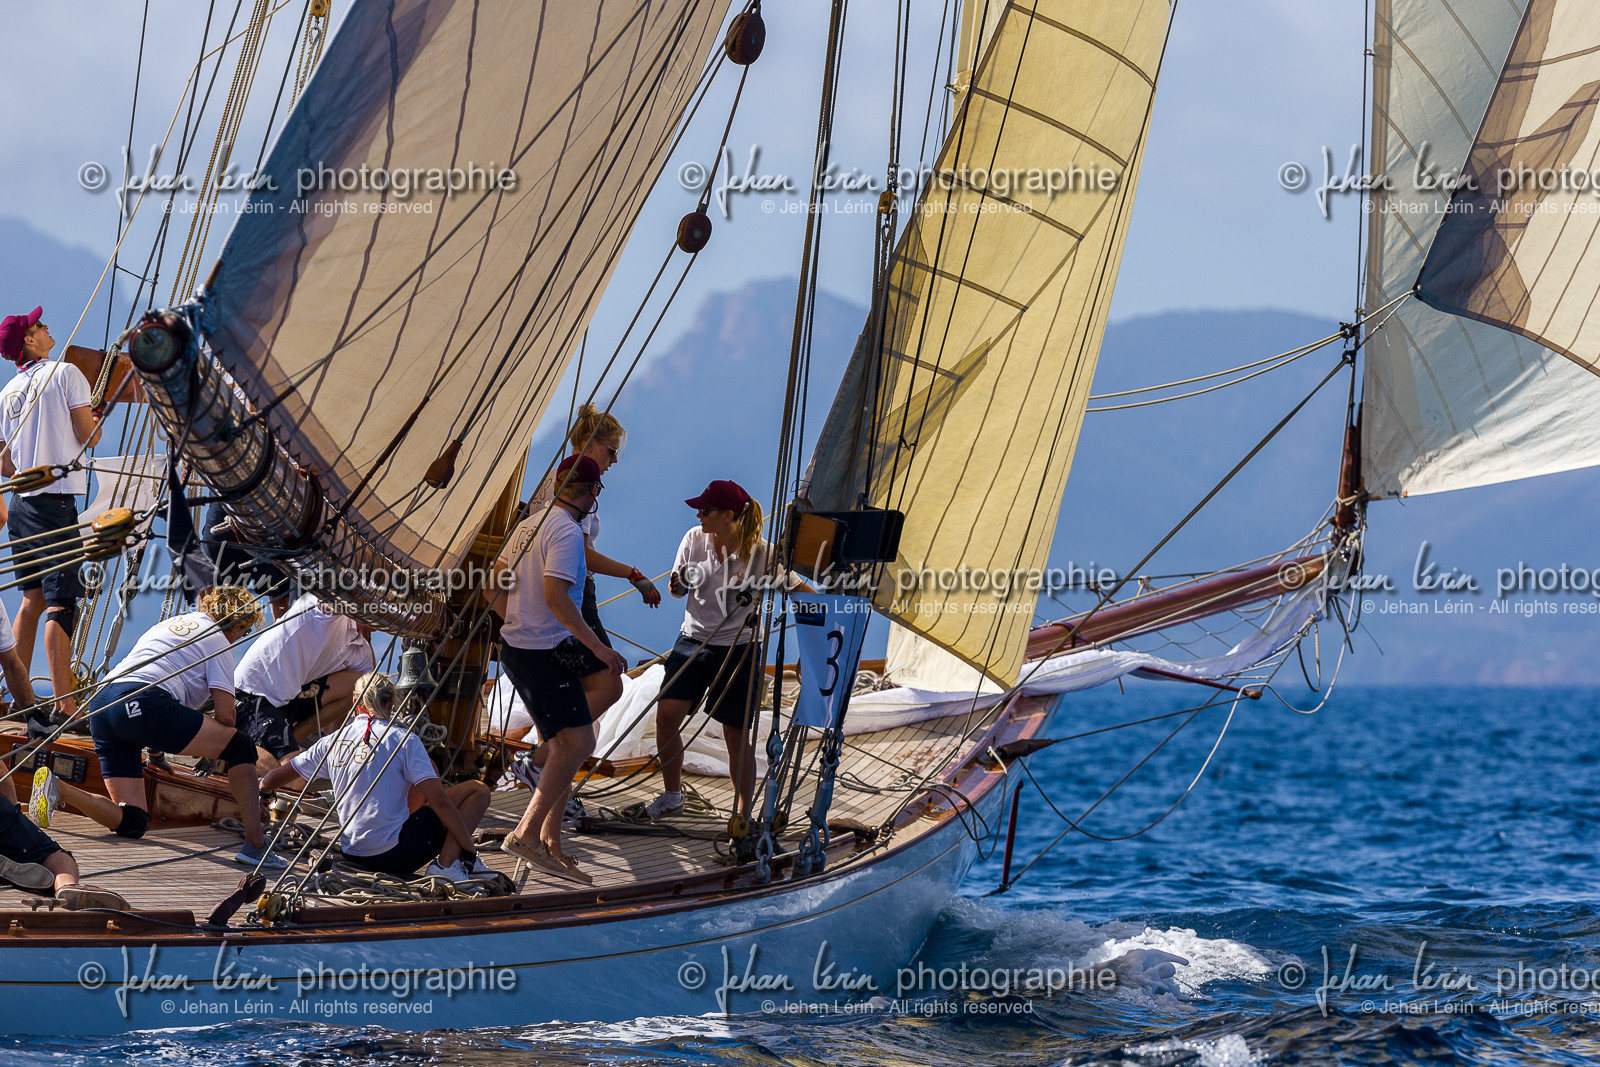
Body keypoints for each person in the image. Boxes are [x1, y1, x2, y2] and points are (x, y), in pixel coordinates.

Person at [29, 586, 280, 867]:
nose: (241, 637)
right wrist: (214, 752)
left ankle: (58, 788)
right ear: (238, 624)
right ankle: (255, 846)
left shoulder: (170, 624)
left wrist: (156, 755)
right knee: (241, 746)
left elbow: (157, 693)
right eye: (244, 631)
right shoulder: (218, 639)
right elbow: (226, 717)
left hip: (103, 704)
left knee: (133, 821)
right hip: (143, 702)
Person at [490, 454, 627, 884]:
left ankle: (552, 842)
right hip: (543, 652)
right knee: (578, 741)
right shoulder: (566, 531)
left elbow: (492, 582)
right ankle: (527, 834)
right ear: (591, 492)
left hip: (520, 649)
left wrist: (513, 621)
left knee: (563, 744)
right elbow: (556, 597)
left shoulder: (529, 526)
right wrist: (598, 649)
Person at [511, 405, 660, 786]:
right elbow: (577, 552)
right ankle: (541, 762)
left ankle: (547, 765)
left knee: (570, 694)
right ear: (590, 444)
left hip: (541, 598)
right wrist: (632, 574)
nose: (614, 461)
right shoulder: (572, 490)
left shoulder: (560, 481)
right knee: (608, 685)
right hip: (568, 594)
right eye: (611, 451)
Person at [650, 480, 805, 820]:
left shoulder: (763, 554)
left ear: (727, 515)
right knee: (666, 716)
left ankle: (743, 815)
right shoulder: (694, 539)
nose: (699, 515)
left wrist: (831, 611)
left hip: (740, 648)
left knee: (736, 735)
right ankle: (673, 796)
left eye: (705, 510)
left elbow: (797, 588)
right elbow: (676, 590)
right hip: (693, 640)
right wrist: (679, 584)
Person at [259, 673, 493, 883]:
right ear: (390, 702)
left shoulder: (331, 741)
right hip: (395, 856)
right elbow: (440, 801)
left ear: (355, 702)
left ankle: (436, 850)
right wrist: (469, 850)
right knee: (478, 791)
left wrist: (265, 792)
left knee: (425, 770)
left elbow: (272, 779)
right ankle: (448, 864)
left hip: (352, 850)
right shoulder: (403, 740)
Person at [0, 307, 101, 725]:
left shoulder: (7, 392)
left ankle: (19, 701)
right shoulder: (66, 373)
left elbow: (4, 464)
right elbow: (88, 436)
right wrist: (95, 422)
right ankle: (65, 706)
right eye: (39, 325)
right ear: (29, 340)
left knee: (32, 598)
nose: (46, 327)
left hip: (21, 504)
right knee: (63, 602)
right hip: (56, 504)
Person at [233, 592, 375, 769]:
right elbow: (333, 595)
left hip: (288, 700)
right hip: (254, 692)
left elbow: (367, 690)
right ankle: (239, 748)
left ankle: (289, 742)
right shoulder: (322, 610)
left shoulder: (363, 653)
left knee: (362, 684)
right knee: (288, 774)